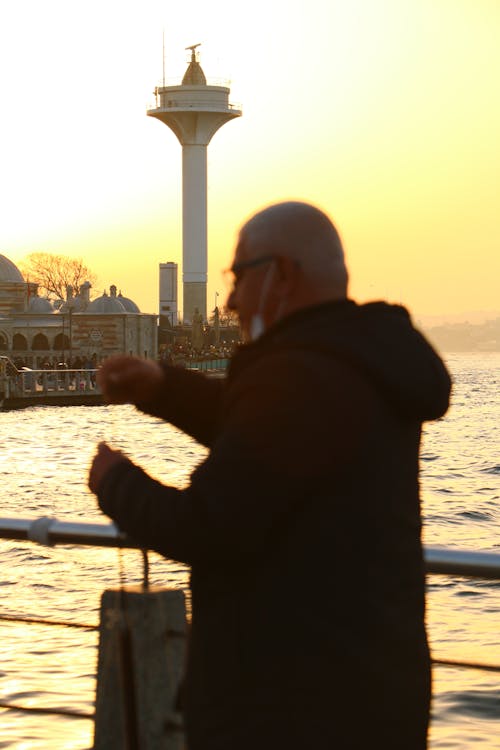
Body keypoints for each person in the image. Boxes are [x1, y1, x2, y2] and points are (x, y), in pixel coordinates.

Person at [88, 200, 451, 749]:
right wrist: (163, 387)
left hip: (290, 705)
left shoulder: (298, 374)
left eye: (238, 276)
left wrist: (115, 481)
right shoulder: (354, 361)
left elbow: (207, 526)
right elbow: (266, 441)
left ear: (280, 274)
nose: (229, 299)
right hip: (375, 691)